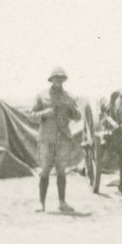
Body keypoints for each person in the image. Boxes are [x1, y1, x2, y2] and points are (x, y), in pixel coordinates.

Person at [29, 66, 80, 213]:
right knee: (45, 171)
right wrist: (45, 113)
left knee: (61, 171)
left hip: (63, 139)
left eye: (61, 78)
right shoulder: (42, 96)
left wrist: (71, 109)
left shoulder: (69, 97)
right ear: (51, 80)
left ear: (64, 80)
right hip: (46, 138)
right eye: (56, 78)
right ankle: (41, 203)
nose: (59, 81)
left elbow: (78, 116)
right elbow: (30, 116)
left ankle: (62, 202)